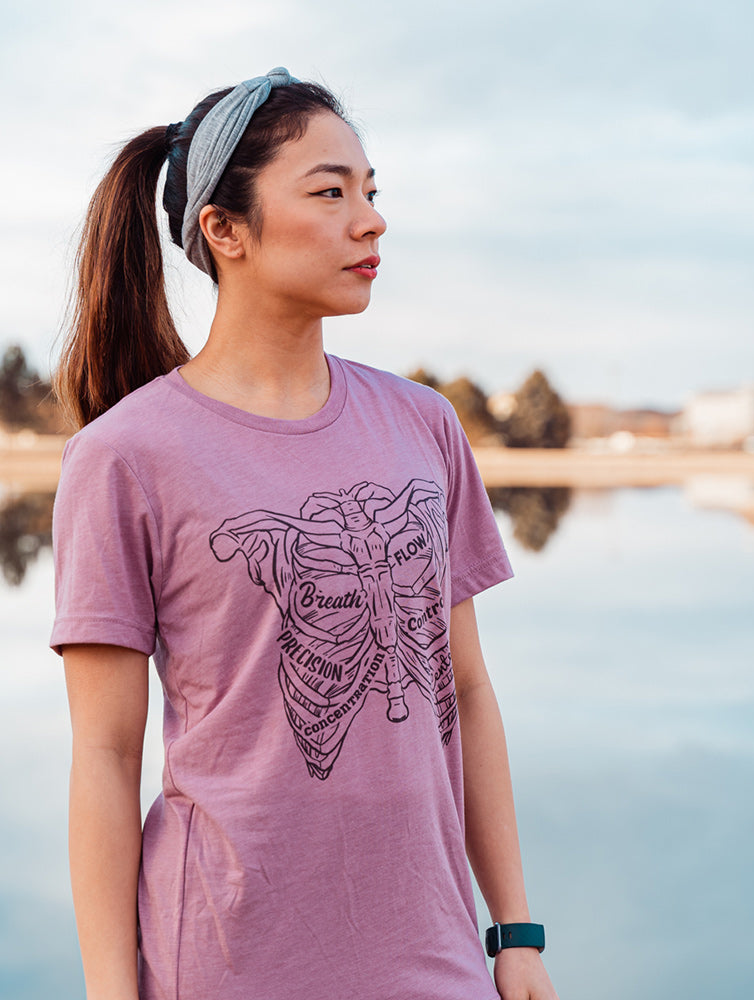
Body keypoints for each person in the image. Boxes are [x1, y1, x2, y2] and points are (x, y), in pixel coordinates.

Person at [50, 67, 559, 1000]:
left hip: (435, 953)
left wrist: (514, 932)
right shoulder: (124, 456)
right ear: (225, 229)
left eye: (371, 192)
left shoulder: (422, 425)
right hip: (224, 959)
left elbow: (470, 692)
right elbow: (107, 757)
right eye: (330, 192)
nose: (369, 221)